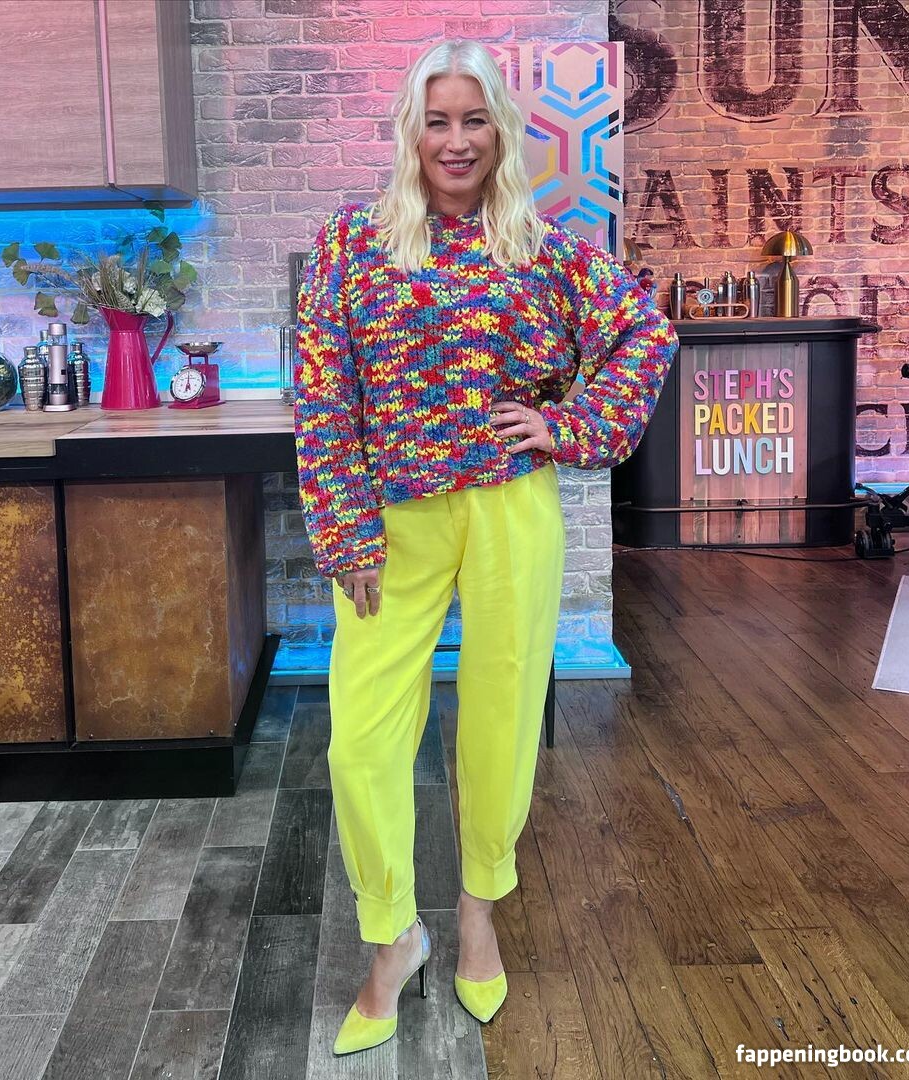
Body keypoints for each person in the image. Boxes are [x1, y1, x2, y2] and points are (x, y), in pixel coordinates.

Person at [293, 38, 678, 1058]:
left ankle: (476, 912)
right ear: (411, 131)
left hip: (510, 509)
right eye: (438, 120)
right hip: (394, 518)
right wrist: (343, 525)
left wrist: (569, 423)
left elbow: (645, 334)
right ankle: (393, 936)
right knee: (361, 739)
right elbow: (323, 393)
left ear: (500, 130)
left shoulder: (540, 246)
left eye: (474, 120)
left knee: (501, 719)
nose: (455, 140)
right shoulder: (353, 242)